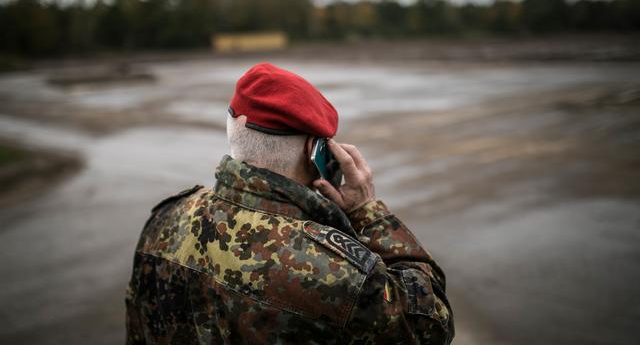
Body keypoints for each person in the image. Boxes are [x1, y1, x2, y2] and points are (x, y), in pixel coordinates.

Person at [125, 63, 454, 344]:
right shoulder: (338, 273)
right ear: (315, 149)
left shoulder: (165, 220)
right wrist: (366, 210)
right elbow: (432, 325)